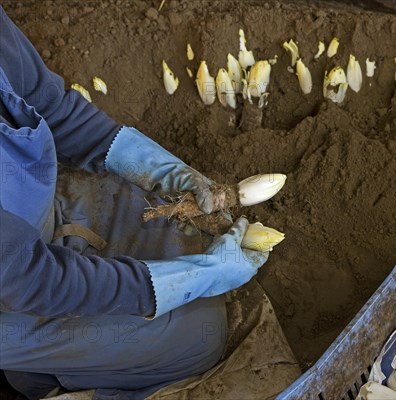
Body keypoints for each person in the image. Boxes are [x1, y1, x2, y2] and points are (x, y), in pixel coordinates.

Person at [0, 5, 269, 399]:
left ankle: (38, 370)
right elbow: (34, 279)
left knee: (155, 218)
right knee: (198, 333)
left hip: (24, 242)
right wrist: (194, 277)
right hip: (16, 293)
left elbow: (52, 108)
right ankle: (44, 372)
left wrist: (165, 172)